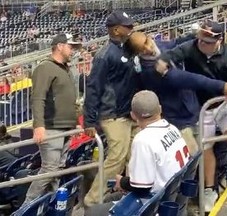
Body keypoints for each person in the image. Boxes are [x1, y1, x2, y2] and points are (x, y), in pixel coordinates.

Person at [157, 20, 227, 212]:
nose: (202, 44)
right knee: (206, 145)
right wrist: (161, 63)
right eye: (201, 40)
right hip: (203, 107)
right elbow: (168, 55)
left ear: (218, 40)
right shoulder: (191, 47)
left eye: (208, 41)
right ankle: (210, 188)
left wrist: (226, 93)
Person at [124, 31, 227, 155]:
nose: (148, 48)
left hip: (193, 110)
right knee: (190, 161)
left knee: (203, 151)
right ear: (137, 53)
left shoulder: (160, 45)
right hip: (178, 120)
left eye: (147, 42)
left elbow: (177, 43)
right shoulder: (149, 70)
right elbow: (185, 78)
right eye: (141, 49)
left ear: (149, 37)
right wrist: (222, 86)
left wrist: (197, 34)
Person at [85, 90, 189, 216]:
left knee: (93, 212)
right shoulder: (173, 129)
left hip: (155, 204)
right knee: (110, 199)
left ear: (133, 115)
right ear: (160, 109)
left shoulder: (143, 139)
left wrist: (121, 181)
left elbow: (141, 187)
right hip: (174, 198)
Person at [83, 11, 139, 206]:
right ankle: (92, 202)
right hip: (112, 114)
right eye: (128, 26)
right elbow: (93, 87)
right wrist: (89, 120)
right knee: (117, 157)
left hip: (129, 114)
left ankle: (132, 192)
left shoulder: (127, 50)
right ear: (116, 30)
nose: (132, 29)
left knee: (135, 154)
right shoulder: (105, 55)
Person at [22, 33, 82, 204]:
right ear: (60, 46)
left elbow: (69, 99)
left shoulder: (65, 68)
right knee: (49, 169)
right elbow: (38, 97)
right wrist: (38, 125)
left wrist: (74, 123)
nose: (73, 51)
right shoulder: (45, 67)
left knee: (57, 170)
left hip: (65, 126)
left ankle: (52, 206)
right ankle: (26, 208)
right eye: (70, 47)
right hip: (51, 126)